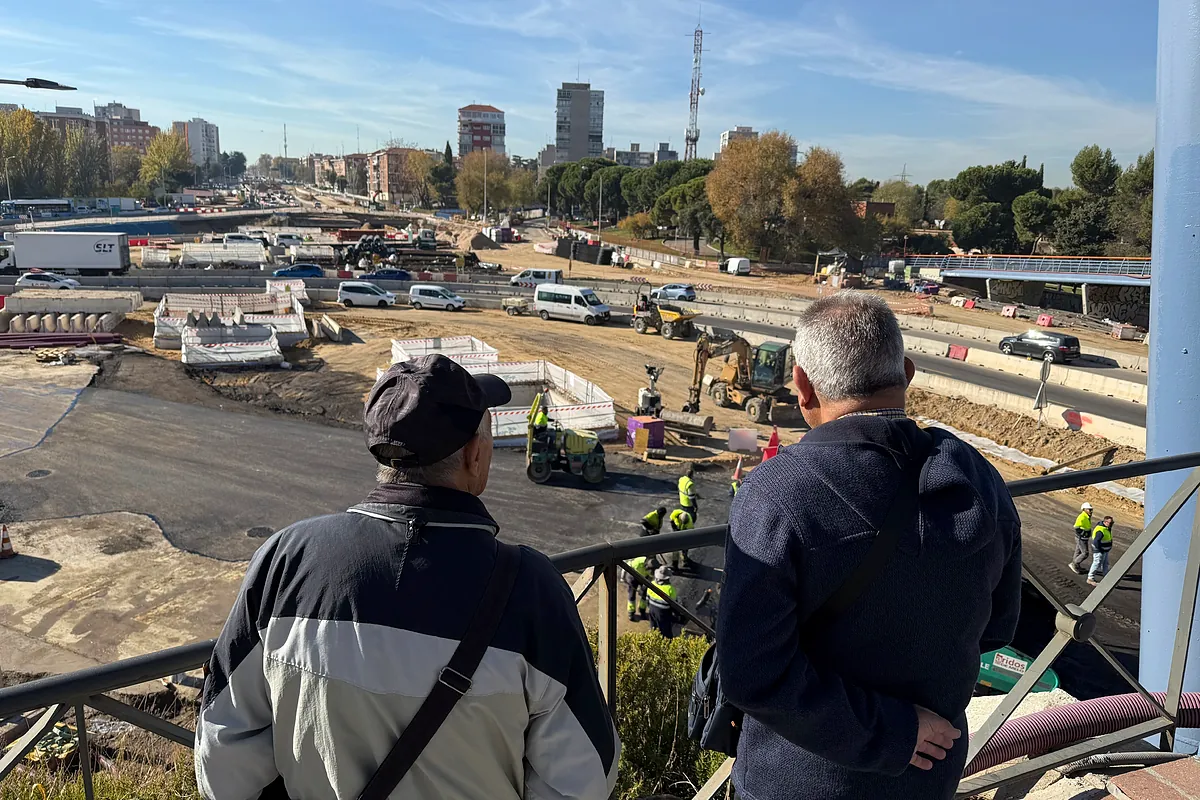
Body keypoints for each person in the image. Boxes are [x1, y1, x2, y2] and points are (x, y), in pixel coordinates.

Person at [196, 354, 619, 800]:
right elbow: (583, 778)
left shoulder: (285, 562)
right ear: (475, 455)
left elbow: (222, 754)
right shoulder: (532, 590)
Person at [718, 292, 1022, 800]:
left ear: (801, 385)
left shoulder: (776, 493)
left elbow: (751, 675)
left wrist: (892, 731)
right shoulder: (979, 477)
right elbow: (998, 627)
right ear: (906, 372)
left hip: (803, 781)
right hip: (932, 772)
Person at [647, 566, 680, 639]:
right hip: (663, 613)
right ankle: (667, 643)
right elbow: (675, 606)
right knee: (665, 630)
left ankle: (653, 641)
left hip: (652, 610)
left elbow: (647, 599)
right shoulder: (670, 589)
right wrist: (678, 615)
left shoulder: (652, 584)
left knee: (653, 627)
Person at [625, 555, 653, 621]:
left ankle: (642, 610)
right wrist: (623, 577)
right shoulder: (638, 562)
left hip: (644, 578)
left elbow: (650, 578)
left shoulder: (652, 569)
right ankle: (631, 612)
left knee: (644, 594)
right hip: (633, 576)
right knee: (631, 595)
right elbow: (626, 566)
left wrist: (643, 589)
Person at [1089, 515, 1115, 586]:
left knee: (1105, 563)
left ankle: (1106, 577)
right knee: (1097, 563)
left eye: (1112, 523)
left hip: (1104, 550)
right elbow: (1096, 541)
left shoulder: (1106, 528)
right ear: (1105, 522)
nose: (1112, 524)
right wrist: (1100, 549)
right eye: (1110, 523)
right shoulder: (1100, 530)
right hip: (1100, 550)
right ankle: (1090, 578)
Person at [1070, 502, 1094, 574]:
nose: (1091, 511)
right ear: (1084, 510)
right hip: (1081, 538)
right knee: (1085, 553)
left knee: (1078, 551)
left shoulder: (1087, 516)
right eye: (1089, 510)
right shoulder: (1082, 517)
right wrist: (1083, 534)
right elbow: (1076, 527)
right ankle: (1074, 564)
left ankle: (1076, 566)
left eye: (1091, 510)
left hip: (1084, 538)